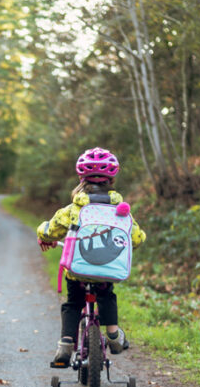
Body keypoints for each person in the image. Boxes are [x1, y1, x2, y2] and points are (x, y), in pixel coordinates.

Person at [36, 147, 146, 367]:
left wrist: (43, 234)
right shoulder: (120, 210)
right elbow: (137, 237)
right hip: (107, 271)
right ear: (112, 180)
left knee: (73, 302)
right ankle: (114, 335)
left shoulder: (74, 209)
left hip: (77, 272)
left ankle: (66, 345)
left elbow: (51, 229)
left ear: (81, 178)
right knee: (107, 295)